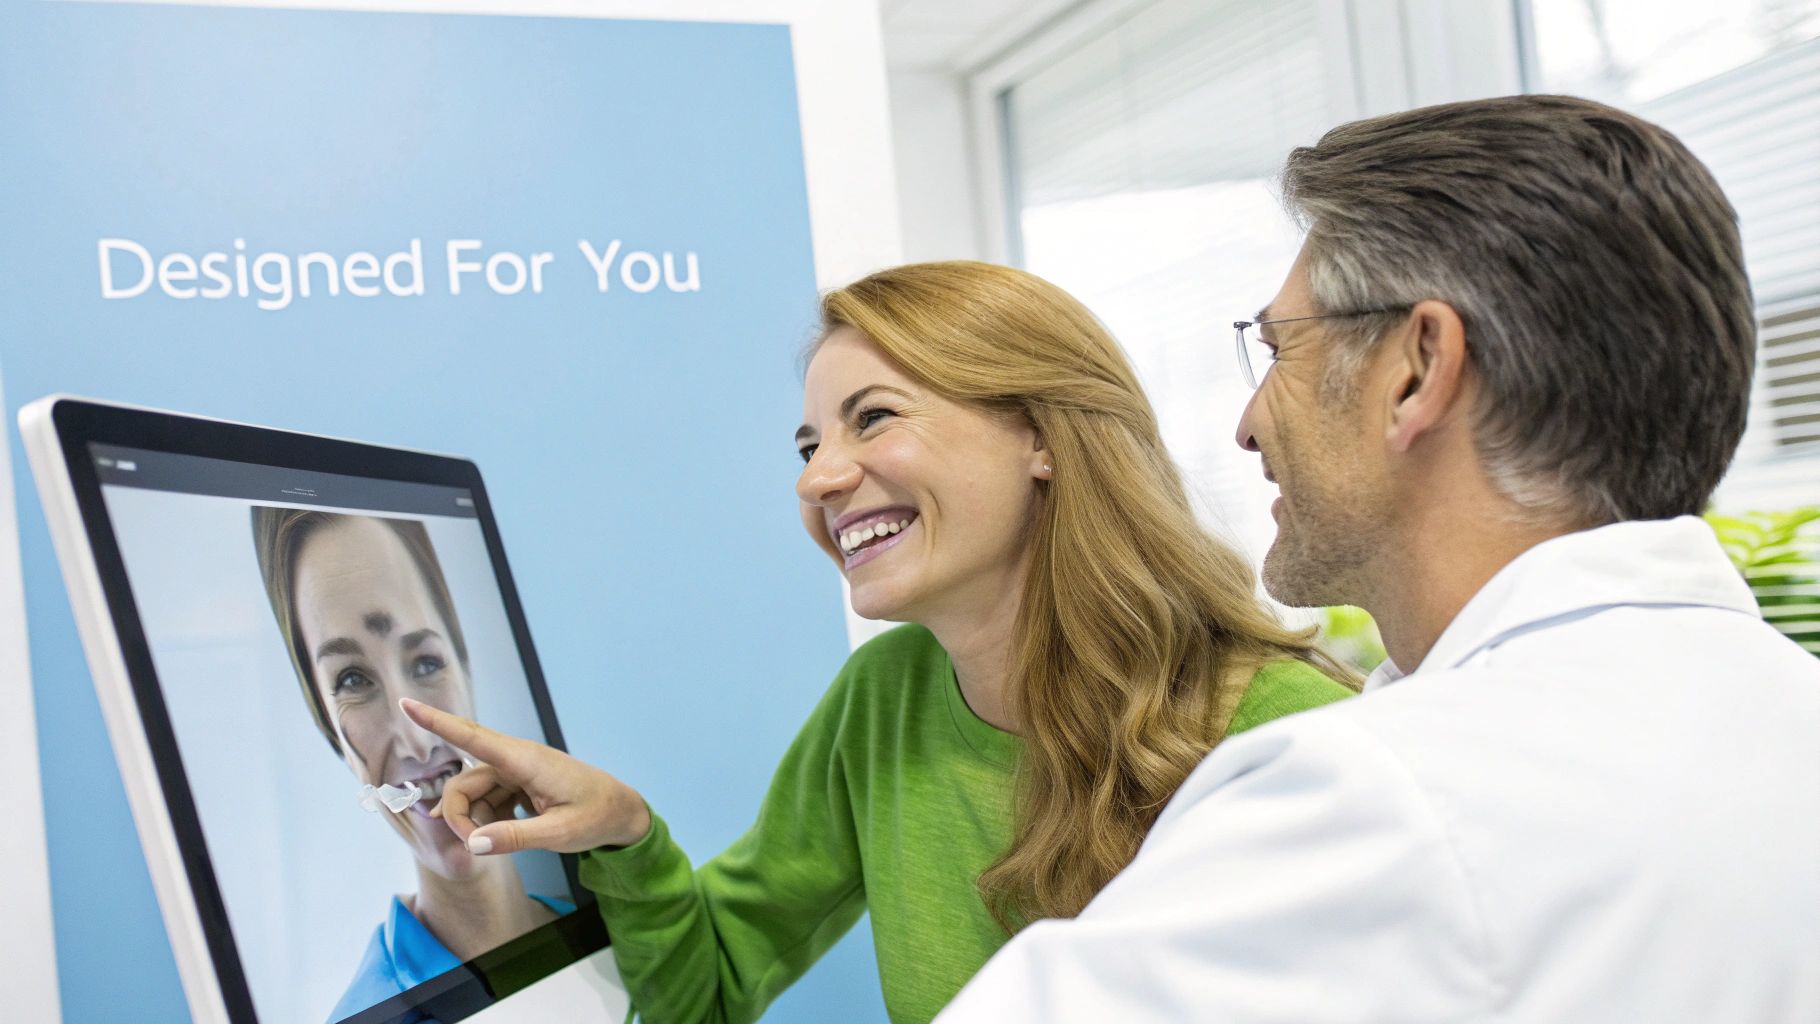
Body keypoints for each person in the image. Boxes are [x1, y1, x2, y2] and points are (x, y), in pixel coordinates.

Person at [933, 95, 1820, 1022]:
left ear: (1417, 368)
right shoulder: (1787, 719)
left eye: (1279, 349)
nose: (1248, 425)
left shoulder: (1376, 804)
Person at [397, 261, 1356, 1023]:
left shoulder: (1288, 734)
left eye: (875, 418)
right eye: (809, 445)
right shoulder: (885, 698)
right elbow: (705, 994)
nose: (818, 479)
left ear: (1042, 436)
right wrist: (627, 833)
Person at [250, 509, 572, 1021]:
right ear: (331, 732)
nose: (417, 742)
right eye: (353, 680)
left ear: (466, 671)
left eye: (425, 662)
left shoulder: (619, 932)